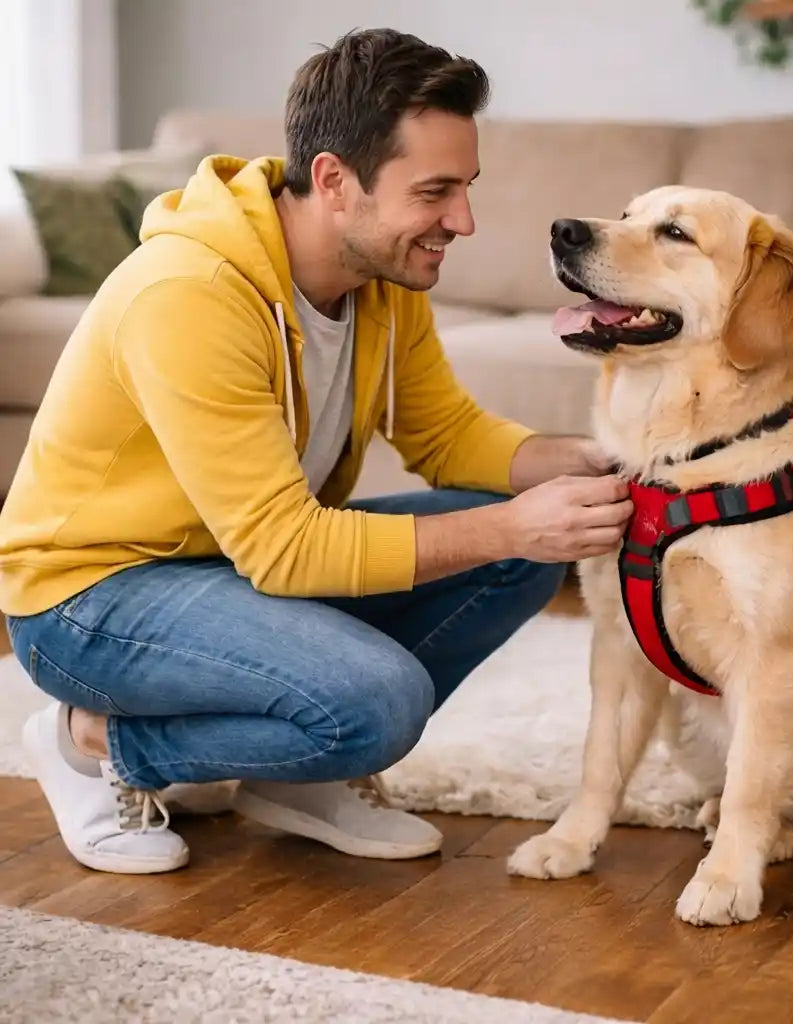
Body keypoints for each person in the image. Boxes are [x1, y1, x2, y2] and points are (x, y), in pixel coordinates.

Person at [0, 28, 632, 875]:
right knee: (377, 702)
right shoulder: (191, 294)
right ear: (336, 181)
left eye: (466, 189)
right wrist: (514, 527)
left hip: (226, 569)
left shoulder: (381, 276)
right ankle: (95, 743)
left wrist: (592, 460)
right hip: (88, 597)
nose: (464, 221)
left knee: (515, 557)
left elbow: (445, 435)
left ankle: (296, 778)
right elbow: (287, 548)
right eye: (436, 192)